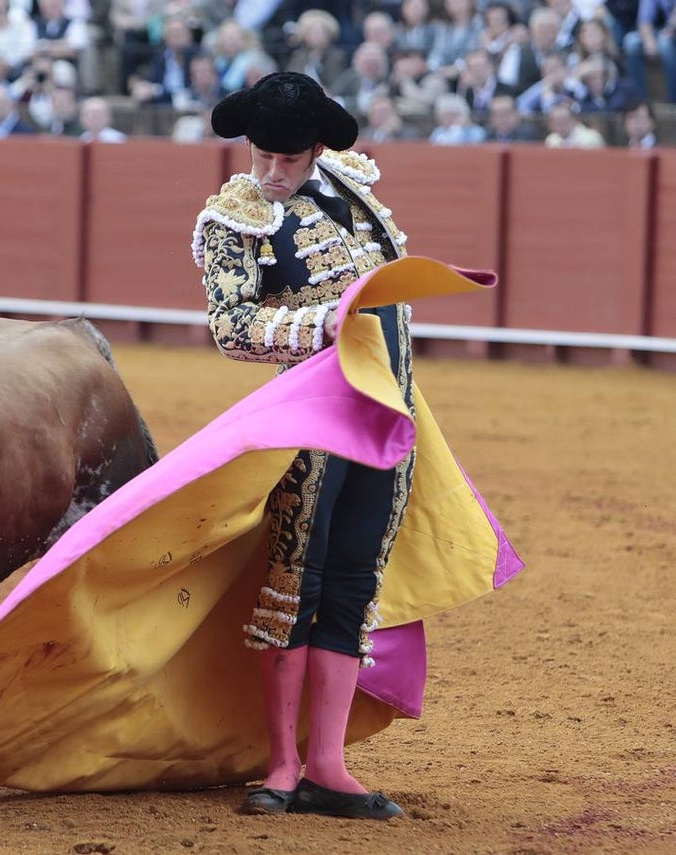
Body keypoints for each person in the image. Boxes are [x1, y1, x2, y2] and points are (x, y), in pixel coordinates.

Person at [194, 71, 413, 821]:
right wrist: (318, 325)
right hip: (306, 428)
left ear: (318, 150)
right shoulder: (233, 216)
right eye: (262, 157)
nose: (271, 175)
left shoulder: (352, 191)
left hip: (383, 421)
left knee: (353, 580)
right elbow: (230, 325)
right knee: (295, 582)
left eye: (287, 161)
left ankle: (327, 763)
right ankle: (282, 764)